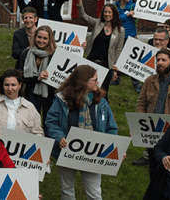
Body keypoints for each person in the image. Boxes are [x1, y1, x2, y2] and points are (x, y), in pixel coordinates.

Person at [45, 65, 119, 200]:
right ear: (82, 82)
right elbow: (50, 122)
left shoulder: (101, 102)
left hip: (93, 153)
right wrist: (59, 136)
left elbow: (111, 128)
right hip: (66, 151)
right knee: (67, 190)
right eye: (94, 80)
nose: (98, 82)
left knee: (95, 193)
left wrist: (116, 147)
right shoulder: (61, 100)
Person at [132, 49, 170, 170]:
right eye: (158, 60)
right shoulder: (149, 81)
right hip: (151, 130)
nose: (160, 63)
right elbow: (141, 103)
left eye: (164, 60)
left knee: (168, 168)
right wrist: (137, 125)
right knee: (153, 166)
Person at [76, 0, 124, 95]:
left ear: (114, 14)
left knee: (102, 93)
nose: (107, 14)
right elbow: (84, 17)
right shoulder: (98, 23)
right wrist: (79, 1)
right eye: (105, 12)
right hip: (91, 61)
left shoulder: (120, 30)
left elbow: (118, 50)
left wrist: (115, 70)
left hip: (106, 65)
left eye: (109, 12)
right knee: (87, 91)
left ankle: (102, 111)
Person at [0, 69, 43, 135]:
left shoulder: (30, 108)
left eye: (13, 85)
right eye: (6, 85)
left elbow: (38, 134)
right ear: (2, 86)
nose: (10, 89)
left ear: (20, 85)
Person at [16, 25, 57, 122]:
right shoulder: (26, 53)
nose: (41, 40)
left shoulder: (55, 55)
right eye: (39, 37)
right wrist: (37, 78)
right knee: (31, 121)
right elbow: (20, 76)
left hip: (50, 93)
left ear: (50, 40)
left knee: (49, 121)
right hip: (30, 92)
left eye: (45, 38)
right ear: (35, 37)